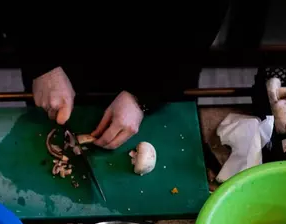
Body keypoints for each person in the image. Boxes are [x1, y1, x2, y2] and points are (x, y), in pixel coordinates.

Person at [16, 6, 229, 149]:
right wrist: (41, 62)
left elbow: (207, 13)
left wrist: (144, 95)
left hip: (164, 61)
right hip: (59, 58)